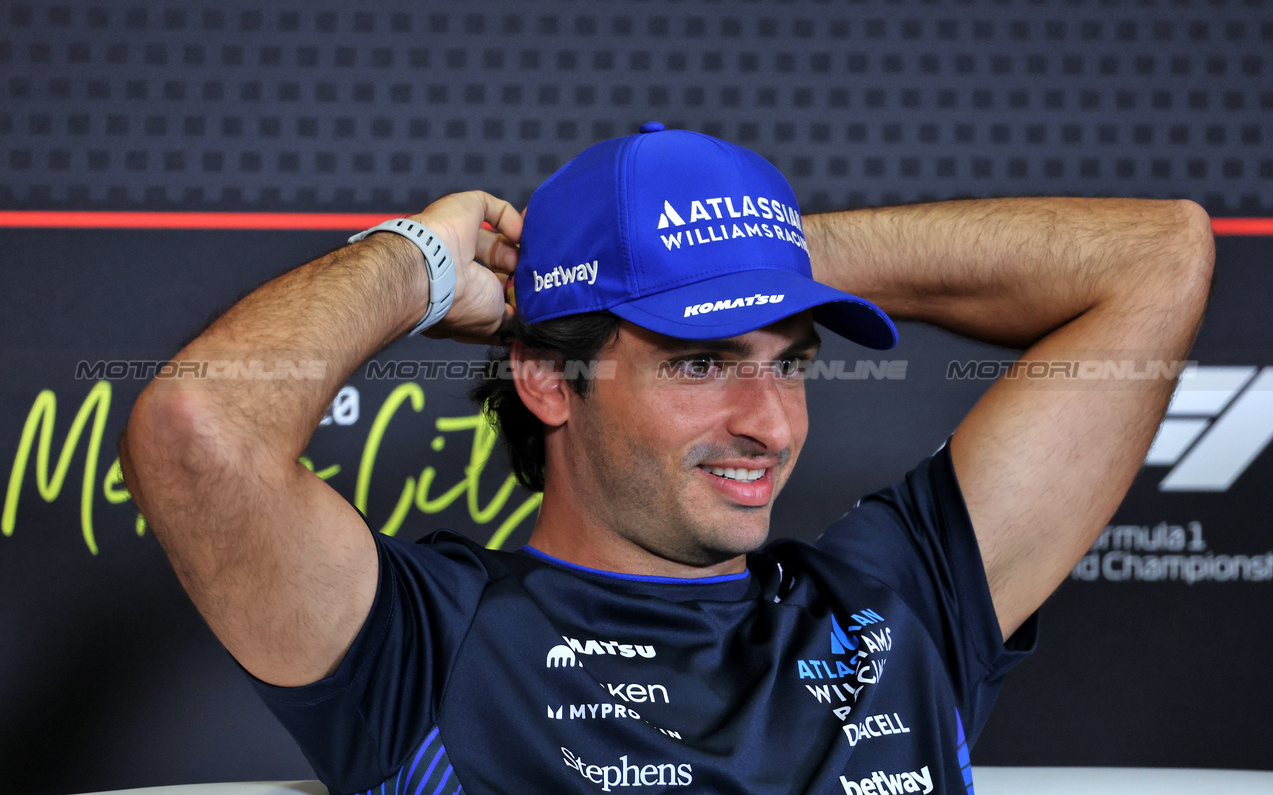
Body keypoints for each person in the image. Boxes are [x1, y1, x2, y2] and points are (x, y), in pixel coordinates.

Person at [120, 122, 1213, 795]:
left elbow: (1157, 257)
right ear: (549, 379)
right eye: (700, 363)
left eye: (787, 360)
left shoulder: (906, 593)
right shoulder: (430, 643)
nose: (770, 422)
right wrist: (415, 263)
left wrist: (748, 252)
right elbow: (199, 433)